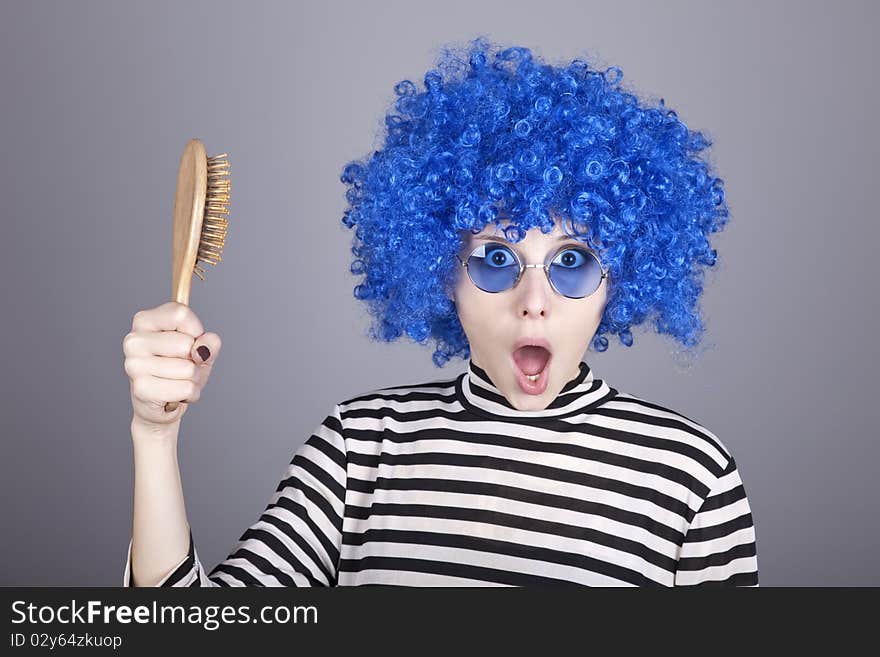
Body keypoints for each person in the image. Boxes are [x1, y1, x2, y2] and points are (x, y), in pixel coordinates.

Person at [122, 38, 758, 586]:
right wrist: (155, 435)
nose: (533, 303)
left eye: (571, 262)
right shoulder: (358, 447)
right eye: (497, 260)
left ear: (617, 281)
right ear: (442, 271)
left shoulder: (691, 473)